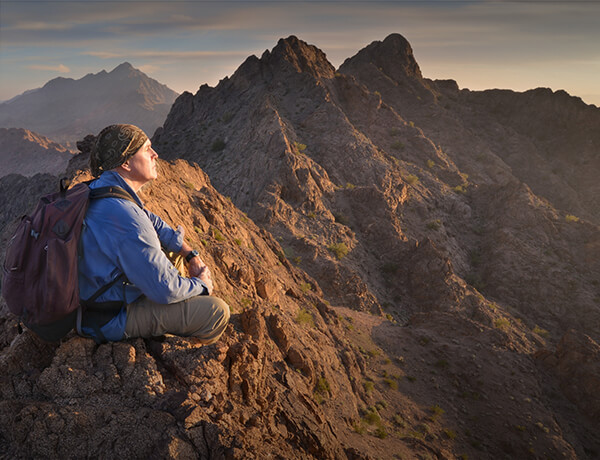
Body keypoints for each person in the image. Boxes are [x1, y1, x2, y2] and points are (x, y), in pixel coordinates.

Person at [77, 124, 229, 343]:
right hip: (107, 319)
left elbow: (153, 222)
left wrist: (189, 254)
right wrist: (202, 284)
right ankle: (184, 352)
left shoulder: (103, 189)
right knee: (217, 311)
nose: (155, 154)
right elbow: (165, 291)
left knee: (172, 255)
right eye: (147, 148)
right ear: (126, 163)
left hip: (90, 302)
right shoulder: (127, 218)